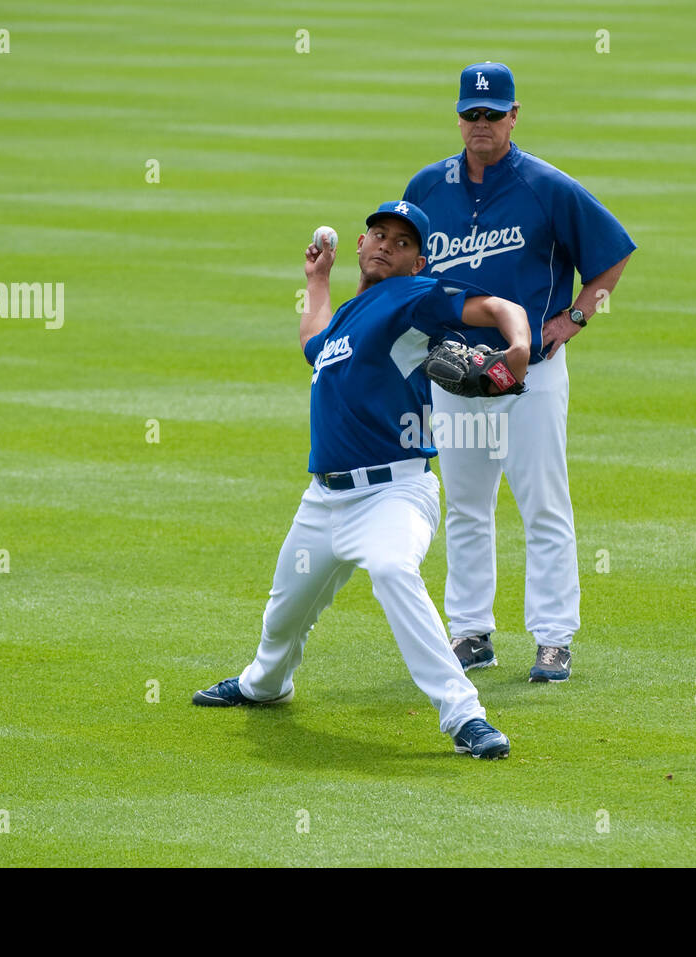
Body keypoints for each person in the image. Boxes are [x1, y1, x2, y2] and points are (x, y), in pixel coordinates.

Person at [193, 201, 530, 759]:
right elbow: (313, 342)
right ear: (360, 242)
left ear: (417, 261)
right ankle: (265, 685)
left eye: (401, 243)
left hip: (393, 495)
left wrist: (517, 349)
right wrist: (316, 280)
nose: (385, 245)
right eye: (378, 234)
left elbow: (500, 305)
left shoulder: (414, 298)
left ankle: (465, 715)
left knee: (394, 568)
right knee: (283, 615)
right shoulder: (351, 315)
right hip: (322, 502)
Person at [402, 62, 636, 682]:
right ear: (458, 117)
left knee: (543, 504)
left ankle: (554, 639)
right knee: (467, 507)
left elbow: (613, 256)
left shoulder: (546, 186)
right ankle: (471, 633)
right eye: (472, 115)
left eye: (494, 114)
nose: (482, 125)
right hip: (454, 373)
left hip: (528, 374)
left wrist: (576, 318)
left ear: (514, 115)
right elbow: (405, 270)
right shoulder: (426, 188)